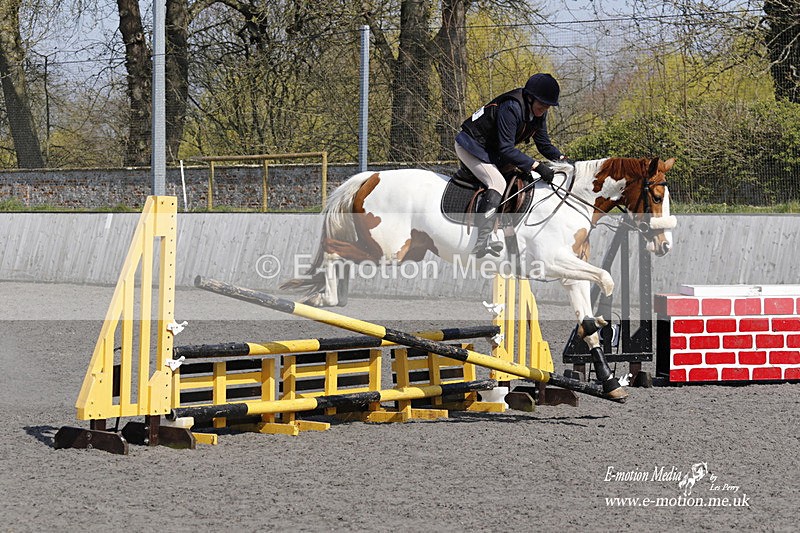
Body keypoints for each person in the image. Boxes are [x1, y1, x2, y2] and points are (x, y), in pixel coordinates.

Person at [455, 73, 565, 257]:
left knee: (524, 178)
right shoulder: (511, 107)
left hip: (492, 151)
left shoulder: (538, 113)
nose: (544, 109)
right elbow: (506, 148)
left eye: (548, 106)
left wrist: (562, 159)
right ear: (530, 98)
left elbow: (543, 144)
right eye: (542, 104)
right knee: (497, 183)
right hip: (471, 146)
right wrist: (537, 165)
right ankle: (482, 240)